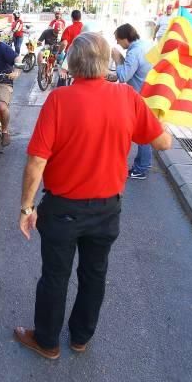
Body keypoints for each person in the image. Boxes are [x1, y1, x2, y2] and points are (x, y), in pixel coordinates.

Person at [15, 32, 172, 360]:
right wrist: (160, 118)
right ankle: (80, 338)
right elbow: (163, 143)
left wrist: (27, 206)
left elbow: (37, 161)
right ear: (107, 62)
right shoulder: (127, 97)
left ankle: (47, 341)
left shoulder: (60, 100)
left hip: (62, 209)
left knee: (55, 276)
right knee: (94, 273)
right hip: (106, 210)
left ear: (72, 63)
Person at [111, 23, 155, 179]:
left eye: (118, 40)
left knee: (142, 132)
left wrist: (117, 59)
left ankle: (141, 168)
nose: (117, 43)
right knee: (143, 130)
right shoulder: (145, 45)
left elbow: (124, 76)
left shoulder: (134, 51)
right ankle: (143, 164)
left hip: (140, 96)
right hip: (150, 92)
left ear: (125, 39)